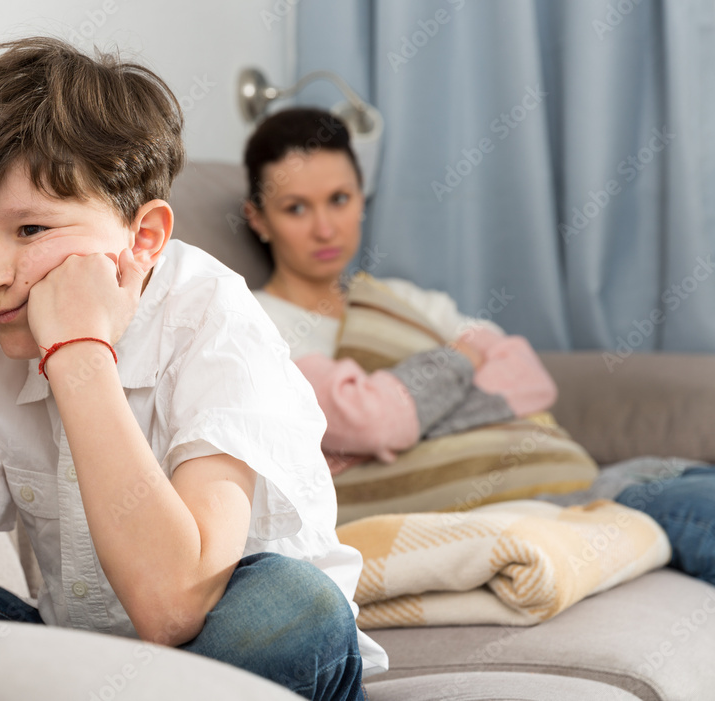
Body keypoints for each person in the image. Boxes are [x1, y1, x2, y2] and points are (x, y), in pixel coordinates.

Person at [0, 40, 386, 699]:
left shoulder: (214, 320)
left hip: (220, 646)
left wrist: (81, 353)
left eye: (31, 230)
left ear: (143, 239)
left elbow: (174, 605)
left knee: (294, 604)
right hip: (82, 666)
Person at [242, 106, 715, 587]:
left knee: (690, 482)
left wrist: (414, 415)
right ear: (258, 219)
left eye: (339, 199)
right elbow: (373, 421)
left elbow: (529, 377)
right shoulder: (259, 322)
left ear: (362, 199)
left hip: (577, 478)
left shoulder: (406, 301)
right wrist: (460, 362)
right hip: (516, 506)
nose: (325, 228)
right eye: (296, 208)